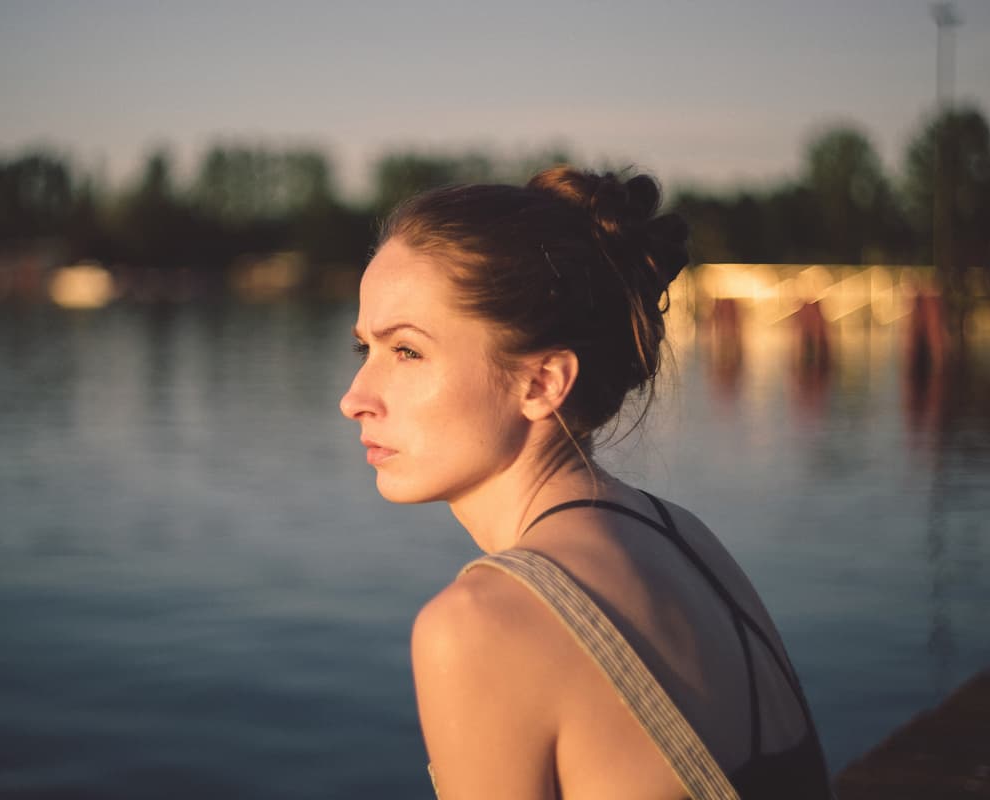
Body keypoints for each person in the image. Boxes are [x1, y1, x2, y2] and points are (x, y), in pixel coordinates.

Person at [339, 167, 833, 800]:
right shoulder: (684, 538)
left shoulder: (479, 626)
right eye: (365, 350)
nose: (355, 399)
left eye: (406, 351)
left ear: (543, 382)